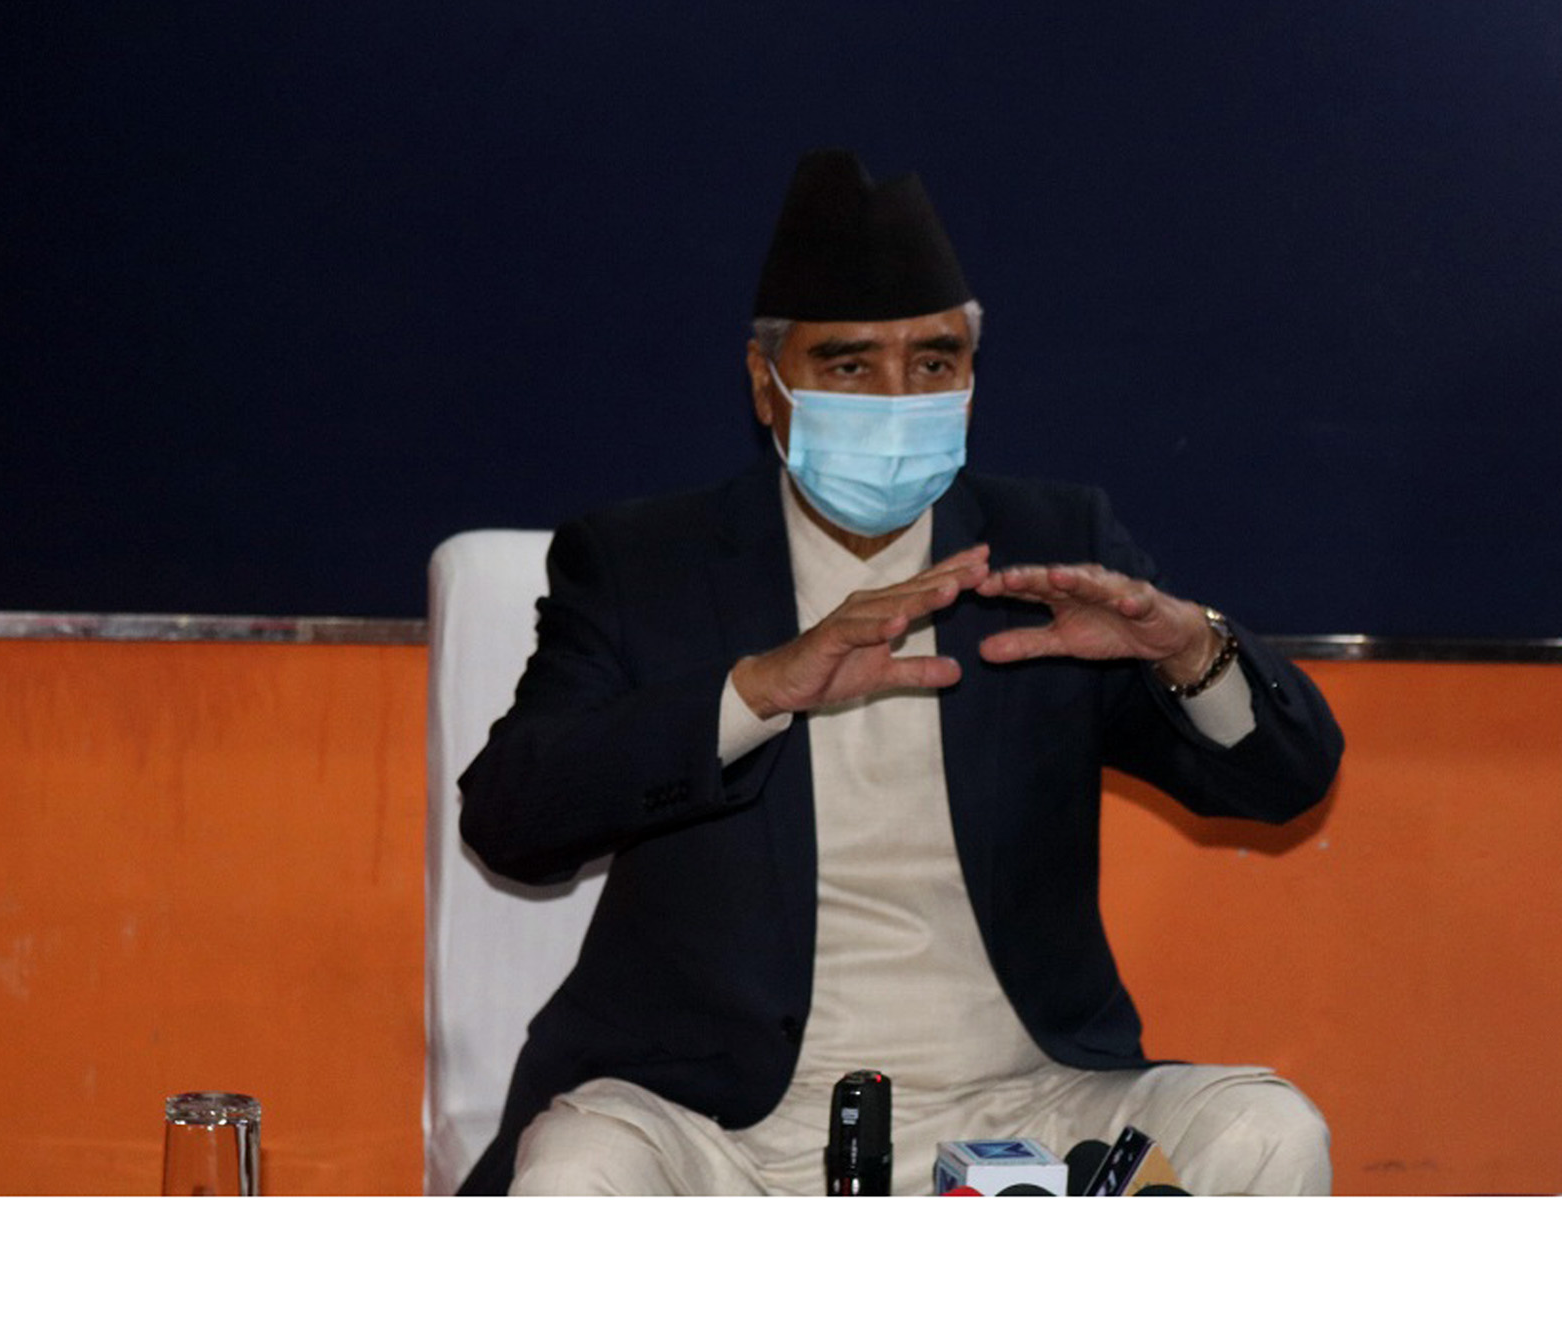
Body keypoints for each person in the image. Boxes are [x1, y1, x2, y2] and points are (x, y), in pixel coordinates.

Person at [456, 149, 1344, 1196]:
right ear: (767, 386)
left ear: (970, 379)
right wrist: (757, 692)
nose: (896, 396)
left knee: (1267, 1135)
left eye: (933, 362)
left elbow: (1285, 786)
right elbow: (511, 823)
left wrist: (1191, 648)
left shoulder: (1048, 550)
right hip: (717, 1121)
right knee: (576, 1179)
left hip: (1027, 1099)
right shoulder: (644, 565)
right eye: (848, 367)